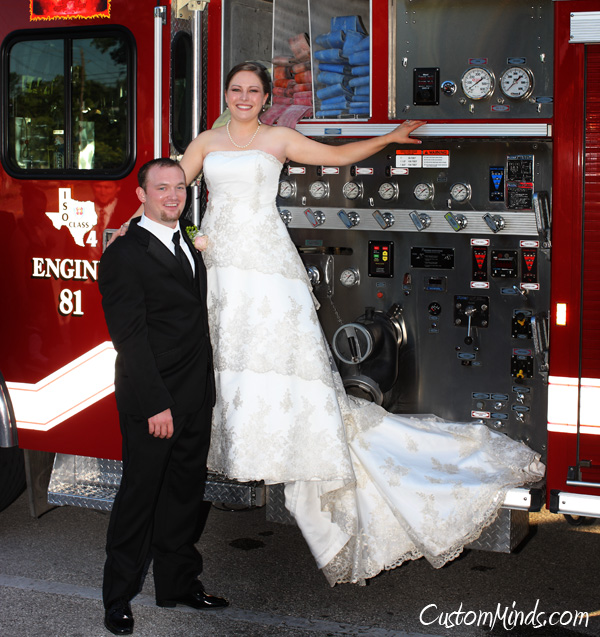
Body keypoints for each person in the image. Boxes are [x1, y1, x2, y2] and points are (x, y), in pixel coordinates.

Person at [117, 62, 545, 586]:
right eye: (236, 89)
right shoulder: (204, 142)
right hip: (219, 262)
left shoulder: (279, 138)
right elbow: (167, 190)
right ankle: (240, 443)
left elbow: (341, 156)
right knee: (226, 354)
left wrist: (390, 137)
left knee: (276, 356)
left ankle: (282, 443)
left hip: (268, 261)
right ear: (225, 94)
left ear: (267, 97)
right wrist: (127, 226)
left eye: (254, 90)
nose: (244, 97)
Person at [98, 158, 228, 636]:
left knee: (184, 496)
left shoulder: (189, 241)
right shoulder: (123, 254)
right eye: (161, 188)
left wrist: (203, 395)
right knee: (140, 497)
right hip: (154, 401)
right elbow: (129, 339)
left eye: (179, 187)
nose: (173, 196)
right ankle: (117, 598)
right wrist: (157, 405)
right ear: (142, 195)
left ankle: (177, 585)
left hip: (195, 394)